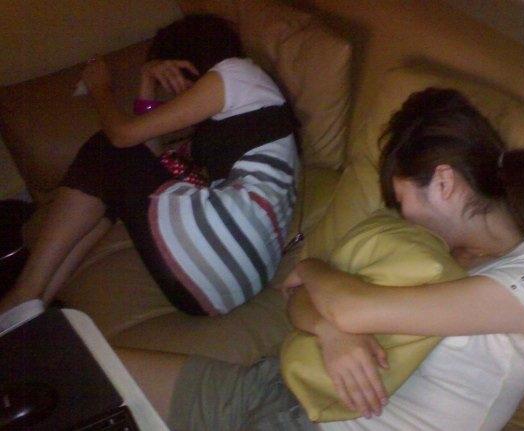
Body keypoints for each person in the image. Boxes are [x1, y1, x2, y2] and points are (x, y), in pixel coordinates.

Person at [115, 87, 524, 431]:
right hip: (278, 387)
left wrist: (319, 284)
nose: (403, 215)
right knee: (92, 373)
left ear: (444, 183)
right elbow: (298, 298)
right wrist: (329, 329)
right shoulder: (427, 248)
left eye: (404, 200)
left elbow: (350, 305)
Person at [0, 14, 299, 316]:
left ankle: (23, 293)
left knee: (106, 147)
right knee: (112, 183)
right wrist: (147, 85)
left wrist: (99, 88)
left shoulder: (236, 73)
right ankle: (33, 303)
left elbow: (122, 137)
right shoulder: (238, 102)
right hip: (233, 279)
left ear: (188, 59)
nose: (173, 89)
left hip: (220, 257)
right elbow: (148, 153)